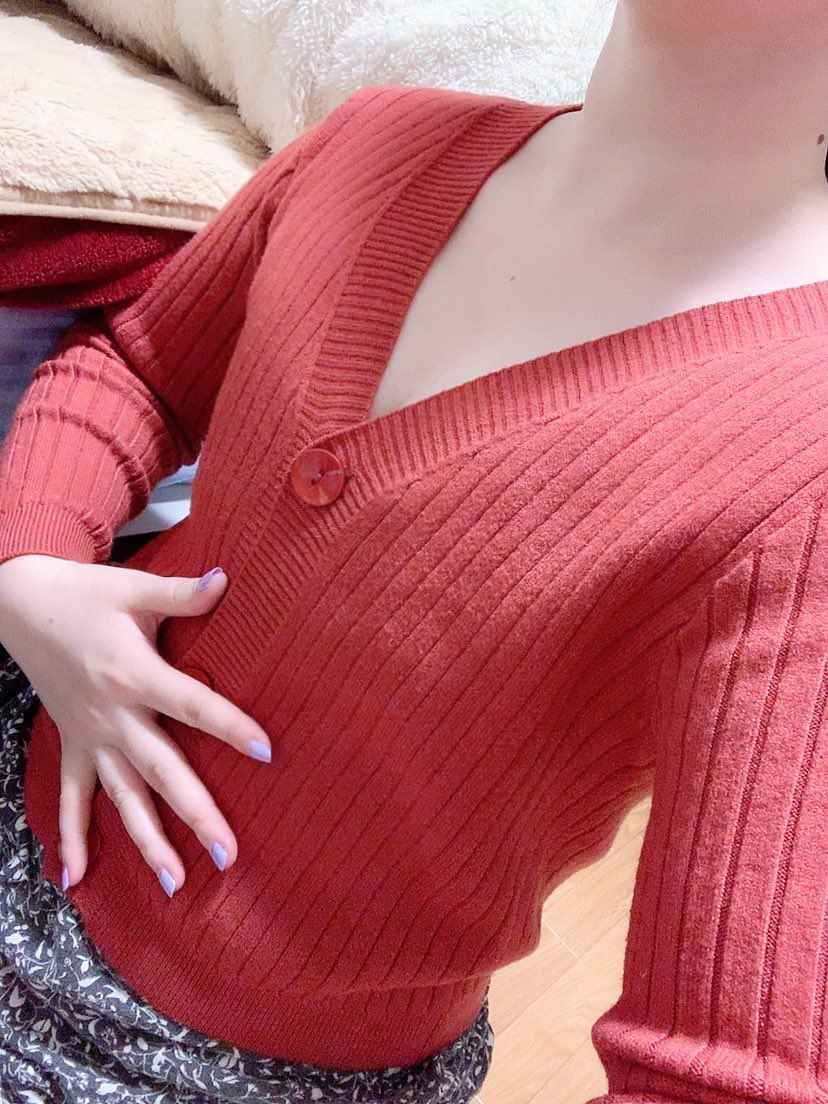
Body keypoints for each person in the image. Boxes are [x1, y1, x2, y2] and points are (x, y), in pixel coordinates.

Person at [0, 1, 827, 1101]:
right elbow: (141, 366)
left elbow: (733, 1072)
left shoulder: (804, 472)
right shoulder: (375, 142)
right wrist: (32, 566)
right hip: (30, 747)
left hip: (225, 1061)